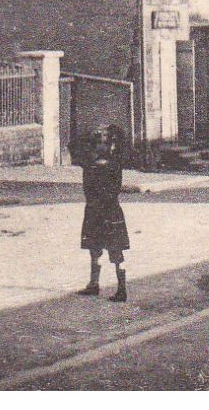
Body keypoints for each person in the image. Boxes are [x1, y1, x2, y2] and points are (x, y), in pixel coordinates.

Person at [75, 124, 131, 303]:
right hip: (96, 211)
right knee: (94, 249)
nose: (99, 145)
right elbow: (74, 144)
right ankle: (94, 284)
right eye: (96, 142)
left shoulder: (111, 165)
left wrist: (113, 132)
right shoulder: (92, 163)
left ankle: (121, 289)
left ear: (109, 146)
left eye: (103, 142)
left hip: (108, 211)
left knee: (116, 252)